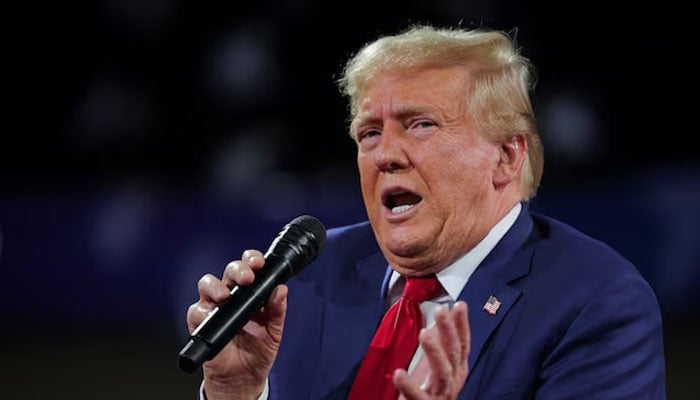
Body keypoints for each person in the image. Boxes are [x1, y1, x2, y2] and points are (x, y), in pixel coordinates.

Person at [186, 24, 666, 399]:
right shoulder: (311, 275)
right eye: (370, 132)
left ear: (506, 157)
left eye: (420, 125)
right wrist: (238, 394)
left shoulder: (597, 302)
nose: (385, 154)